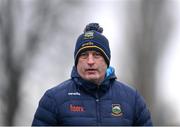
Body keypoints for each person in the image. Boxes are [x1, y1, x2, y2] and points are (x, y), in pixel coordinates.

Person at [32, 23, 153, 126]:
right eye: (84, 55)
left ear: (106, 61)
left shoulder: (132, 99)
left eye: (96, 55)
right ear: (76, 61)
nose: (90, 61)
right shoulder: (53, 99)